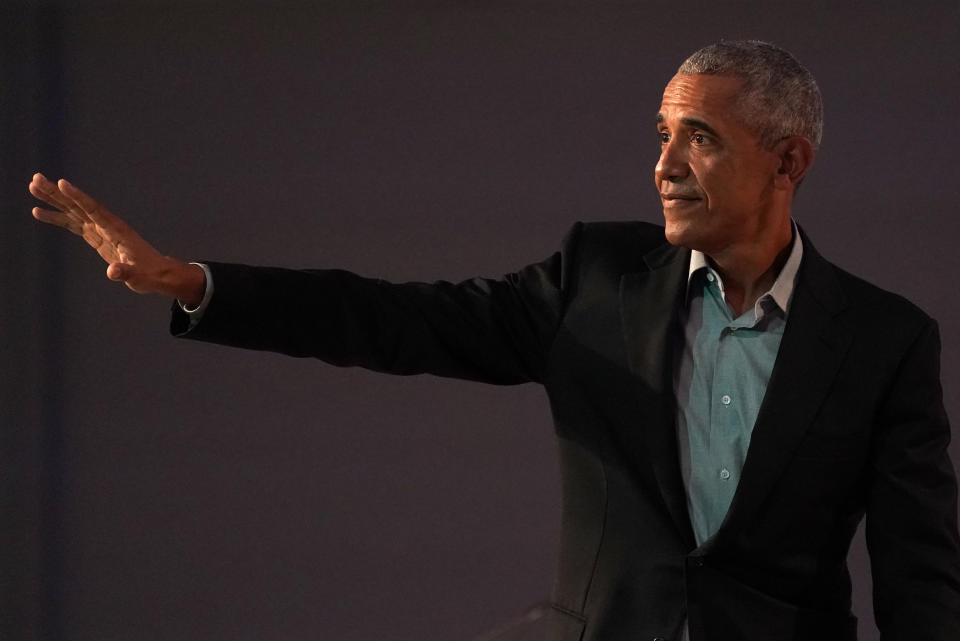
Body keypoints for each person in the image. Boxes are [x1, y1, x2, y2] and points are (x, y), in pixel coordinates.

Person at [28, 40, 960, 641]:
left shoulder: (883, 340)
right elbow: (397, 318)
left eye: (700, 138)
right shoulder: (597, 278)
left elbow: (922, 584)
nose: (664, 164)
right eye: (662, 134)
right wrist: (195, 284)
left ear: (789, 160)